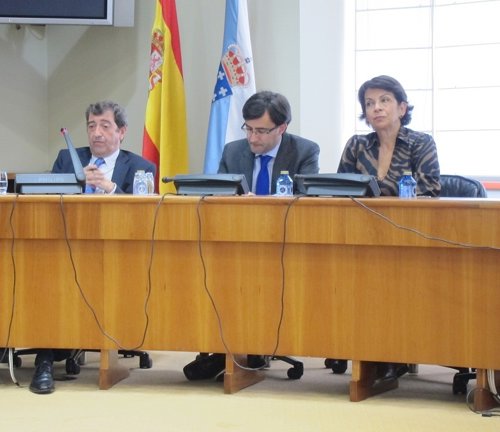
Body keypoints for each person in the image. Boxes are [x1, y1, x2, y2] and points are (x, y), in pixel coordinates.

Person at [183, 91, 320, 381]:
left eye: (261, 131)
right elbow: (217, 196)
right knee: (214, 275)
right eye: (248, 128)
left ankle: (251, 348)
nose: (252, 137)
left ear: (282, 128)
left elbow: (307, 201)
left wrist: (264, 204)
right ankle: (225, 349)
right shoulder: (233, 151)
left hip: (285, 245)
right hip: (237, 241)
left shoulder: (304, 151)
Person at [29, 100, 156, 395]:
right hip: (65, 249)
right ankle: (44, 360)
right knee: (44, 280)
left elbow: (147, 216)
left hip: (116, 256)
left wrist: (110, 189)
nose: (96, 133)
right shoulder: (68, 159)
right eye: (91, 126)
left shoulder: (140, 167)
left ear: (121, 131)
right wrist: (74, 184)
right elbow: (44, 200)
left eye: (105, 126)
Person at [331, 75, 441, 382]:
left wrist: (374, 189)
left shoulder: (421, 143)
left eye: (384, 101)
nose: (376, 108)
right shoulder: (357, 145)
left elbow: (429, 190)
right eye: (369, 103)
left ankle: (395, 353)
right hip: (360, 234)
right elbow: (339, 189)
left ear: (402, 107)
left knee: (394, 285)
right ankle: (362, 347)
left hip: (408, 235)